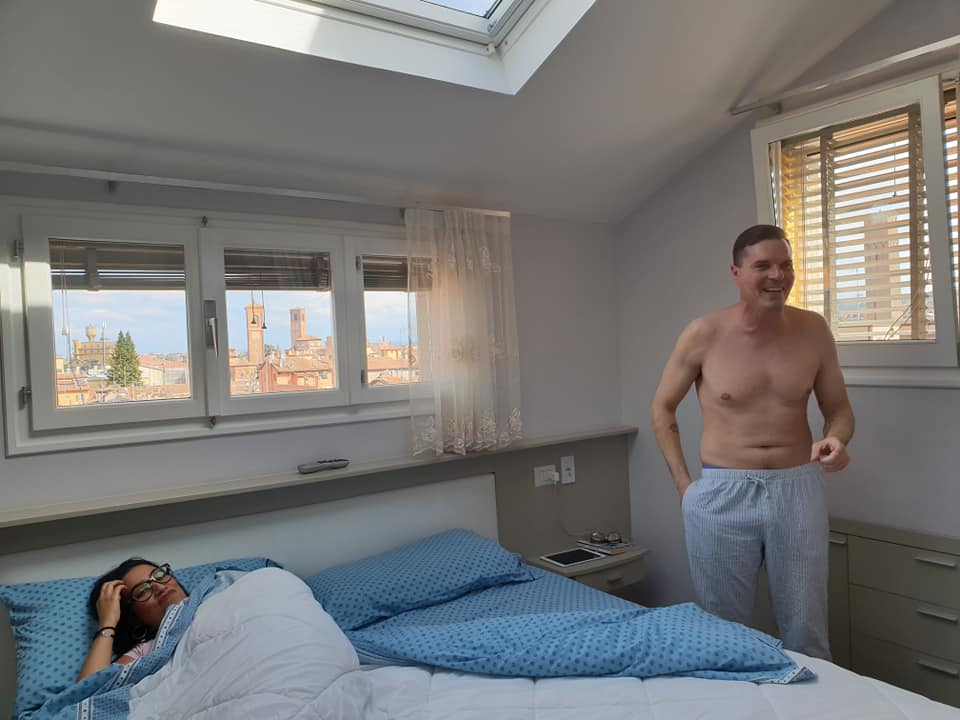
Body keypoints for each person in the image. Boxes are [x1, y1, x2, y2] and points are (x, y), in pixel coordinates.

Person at [650, 224, 854, 660]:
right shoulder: (704, 333)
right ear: (736, 272)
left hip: (797, 489)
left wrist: (836, 439)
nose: (777, 276)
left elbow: (838, 409)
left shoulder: (813, 330)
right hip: (723, 491)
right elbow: (662, 409)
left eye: (785, 265)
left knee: (807, 625)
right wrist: (686, 489)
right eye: (763, 266)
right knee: (722, 626)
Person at [77, 558, 188, 681]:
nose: (159, 586)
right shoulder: (146, 651)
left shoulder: (205, 596)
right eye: (142, 591)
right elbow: (88, 688)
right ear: (135, 620)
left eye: (160, 576)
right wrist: (108, 622)